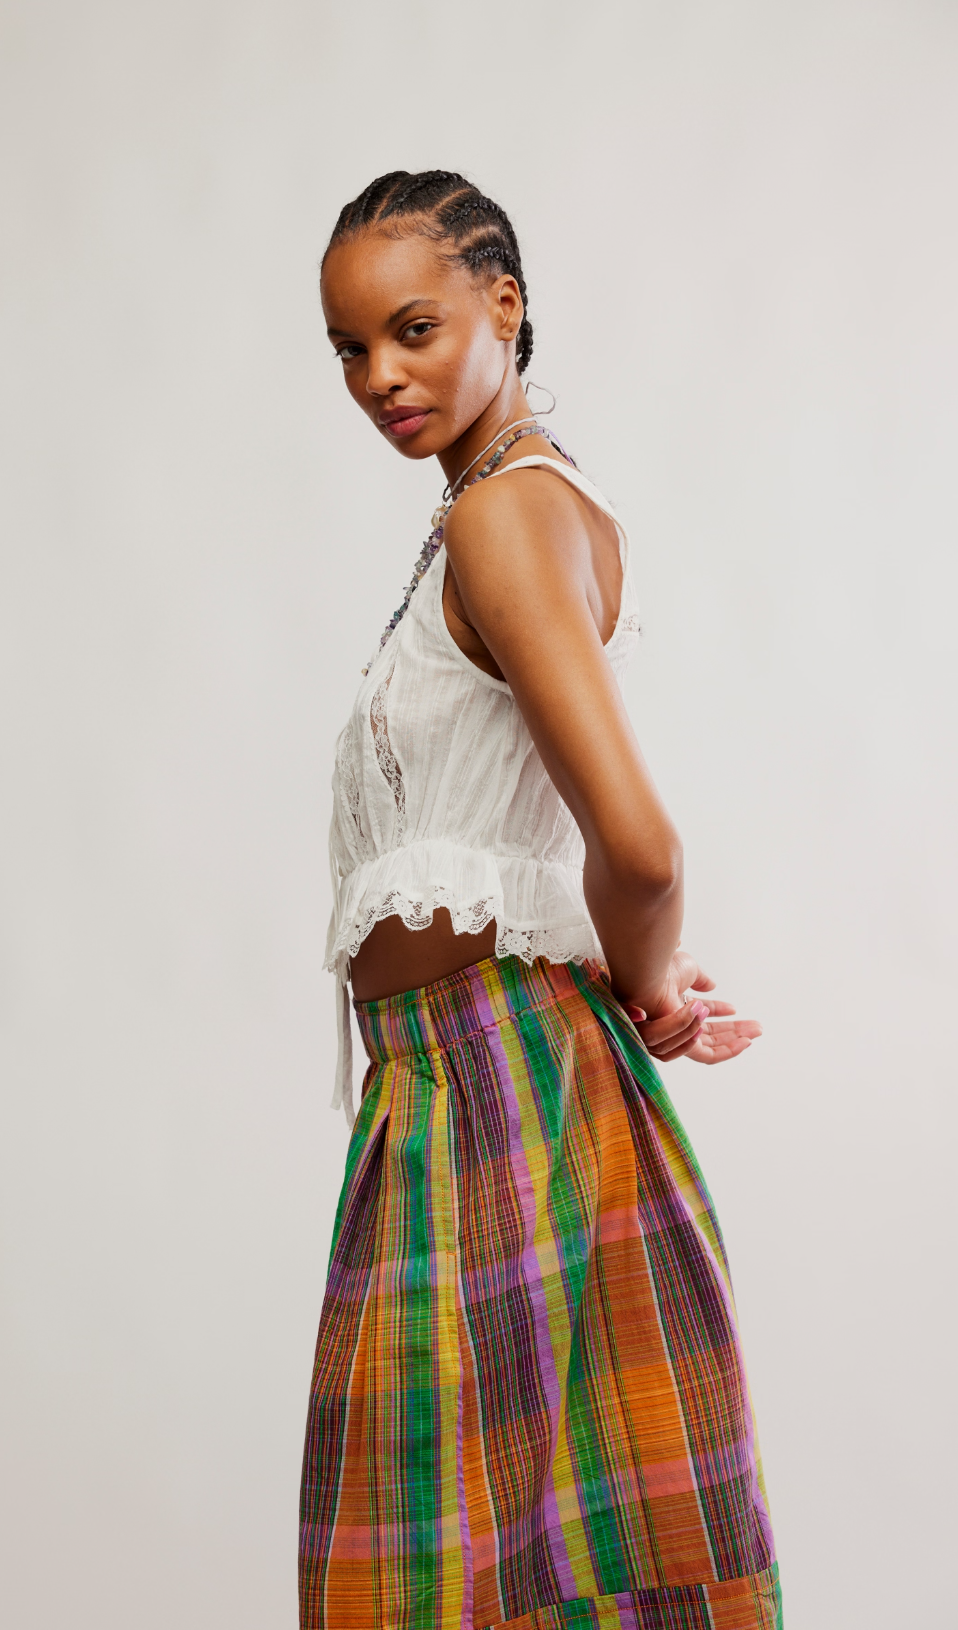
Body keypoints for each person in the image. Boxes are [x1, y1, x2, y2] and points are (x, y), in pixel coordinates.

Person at [300, 171, 780, 1630]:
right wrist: (638, 988)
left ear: (503, 306)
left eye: (415, 330)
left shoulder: (507, 514)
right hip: (463, 1090)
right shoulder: (497, 508)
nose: (380, 378)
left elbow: (641, 847)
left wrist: (651, 984)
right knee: (514, 1562)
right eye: (350, 349)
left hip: (497, 1089)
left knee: (448, 1571)